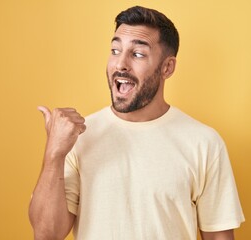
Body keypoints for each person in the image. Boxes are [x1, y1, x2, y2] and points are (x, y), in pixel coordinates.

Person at [29, 6, 245, 240]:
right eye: (115, 50)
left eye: (138, 54)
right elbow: (46, 234)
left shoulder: (204, 143)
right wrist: (54, 154)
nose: (120, 64)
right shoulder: (79, 137)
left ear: (167, 67)